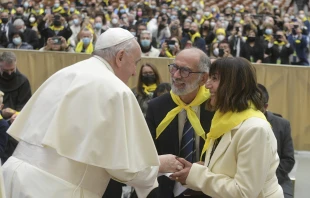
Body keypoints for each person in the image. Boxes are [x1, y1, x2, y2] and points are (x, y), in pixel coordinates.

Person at [2, 28, 182, 198]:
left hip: (12, 177)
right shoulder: (117, 90)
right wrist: (158, 165)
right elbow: (124, 168)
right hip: (54, 189)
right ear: (120, 57)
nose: (135, 72)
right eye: (135, 63)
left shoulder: (64, 73)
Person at [170, 57, 284, 198]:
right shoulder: (224, 119)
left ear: (237, 84)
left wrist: (195, 175)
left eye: (215, 78)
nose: (207, 85)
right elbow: (227, 168)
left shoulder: (255, 129)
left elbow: (244, 192)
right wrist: (197, 168)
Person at [146, 48, 214, 198]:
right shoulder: (157, 106)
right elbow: (145, 151)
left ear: (203, 78)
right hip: (165, 190)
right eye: (174, 68)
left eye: (185, 71)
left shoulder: (216, 107)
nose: (176, 75)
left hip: (207, 190)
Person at [258, 84, 295, 198]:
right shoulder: (239, 122)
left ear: (266, 106)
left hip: (277, 179)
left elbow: (288, 160)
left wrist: (268, 178)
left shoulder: (282, 124)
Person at [0, 52, 32, 120]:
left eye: (12, 69)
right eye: (6, 70)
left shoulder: (23, 81)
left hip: (15, 119)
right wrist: (1, 113)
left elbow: (25, 105)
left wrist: (16, 115)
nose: (9, 73)